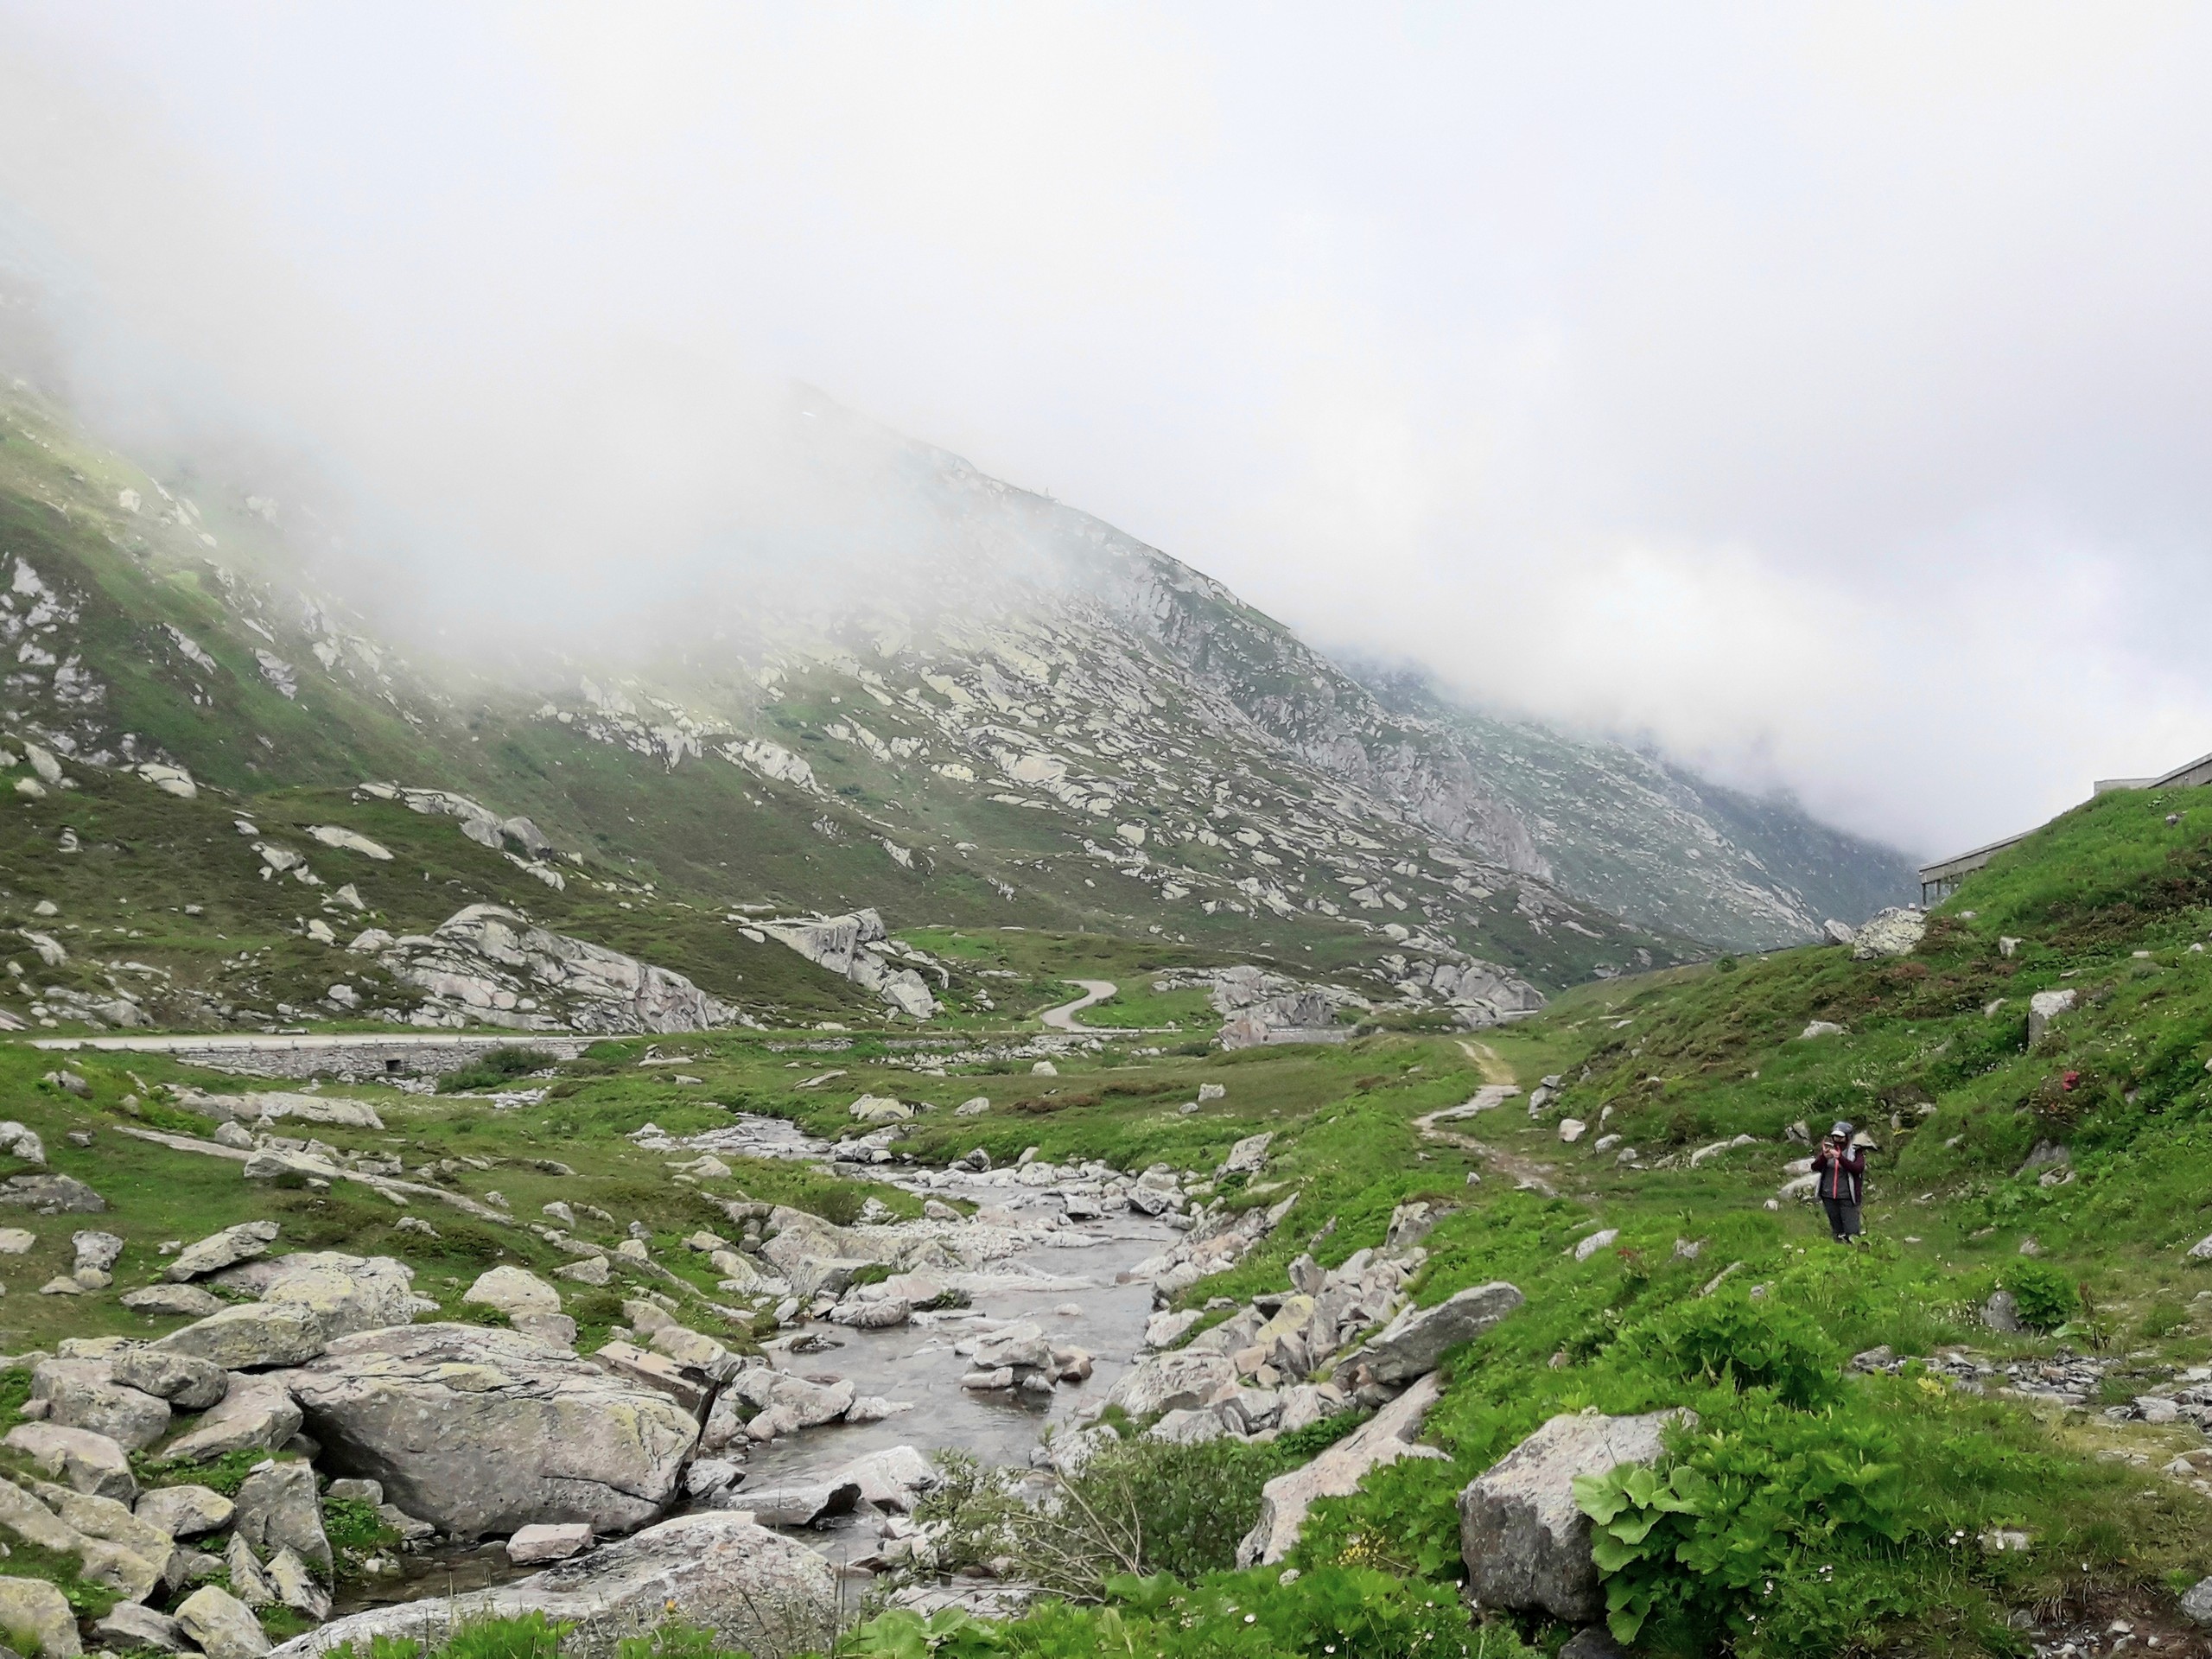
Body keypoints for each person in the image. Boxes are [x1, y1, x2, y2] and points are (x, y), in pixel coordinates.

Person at [1814, 1120, 1866, 1243]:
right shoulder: (1828, 1150)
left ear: (1848, 1137)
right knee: (1837, 1230)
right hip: (1829, 1196)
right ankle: (1839, 1253)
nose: (1837, 1139)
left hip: (1848, 1197)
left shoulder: (1856, 1152)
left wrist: (1840, 1158)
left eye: (1840, 1137)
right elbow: (1815, 1167)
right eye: (1835, 1136)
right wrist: (1824, 1158)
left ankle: (1855, 1254)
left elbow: (1858, 1168)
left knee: (1852, 1231)